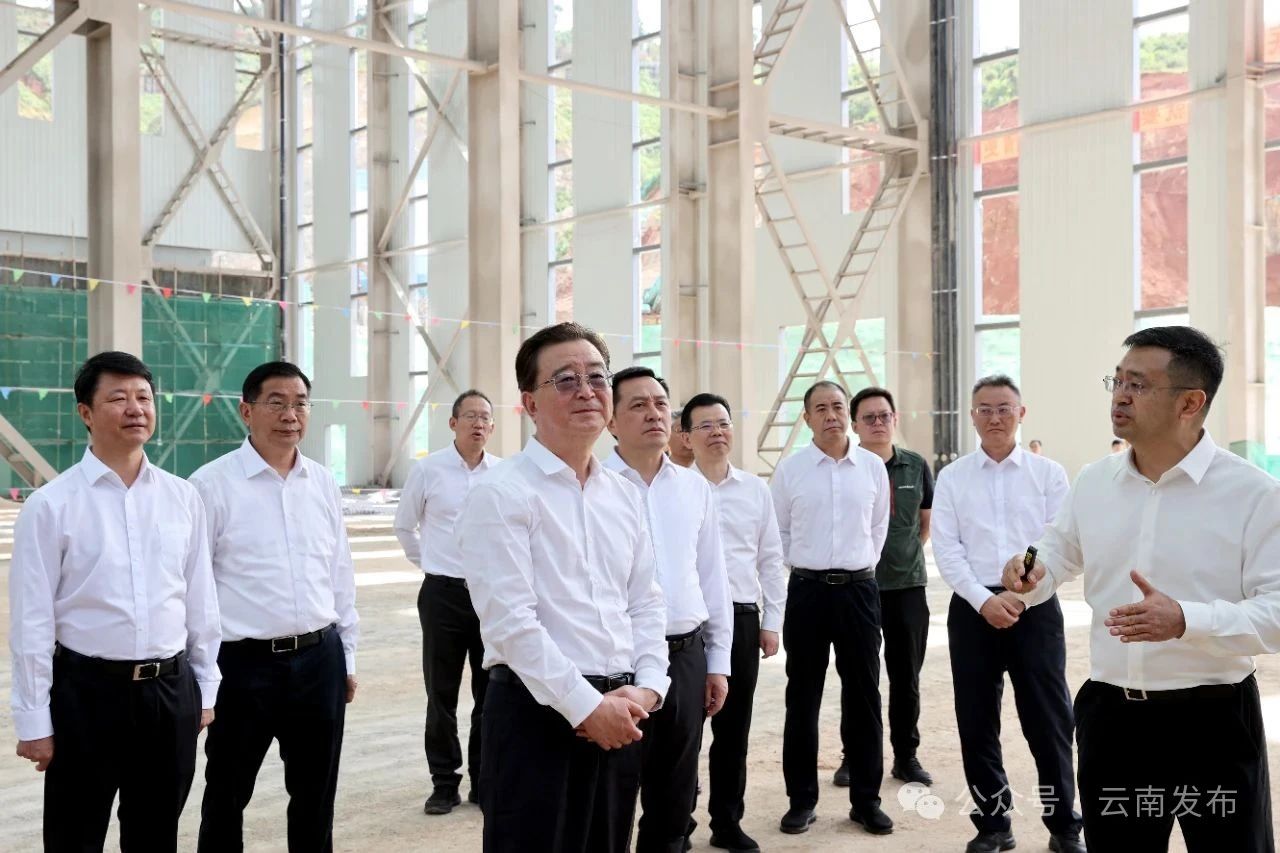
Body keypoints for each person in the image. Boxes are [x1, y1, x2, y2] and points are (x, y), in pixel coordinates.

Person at [1006, 326, 1280, 853]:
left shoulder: (1254, 495)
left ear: (1190, 402)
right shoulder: (1094, 482)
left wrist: (1185, 620)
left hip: (1214, 722)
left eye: (1139, 384)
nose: (1121, 396)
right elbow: (1057, 553)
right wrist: (1032, 573)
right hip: (1114, 719)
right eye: (1117, 381)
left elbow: (1275, 613)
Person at [456, 322, 670, 853]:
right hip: (537, 715)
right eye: (566, 380)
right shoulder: (501, 493)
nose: (587, 391)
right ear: (530, 403)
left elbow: (645, 603)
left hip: (622, 712)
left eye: (597, 377)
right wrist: (585, 707)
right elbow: (511, 623)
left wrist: (648, 687)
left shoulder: (622, 494)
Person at [9, 351, 221, 852]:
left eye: (144, 397)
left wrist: (205, 688)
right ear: (86, 412)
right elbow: (32, 621)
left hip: (170, 693)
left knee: (155, 836)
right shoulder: (51, 505)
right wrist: (34, 719)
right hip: (87, 695)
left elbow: (200, 600)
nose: (135, 408)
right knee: (74, 835)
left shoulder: (182, 498)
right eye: (118, 398)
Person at [190, 361, 359, 853]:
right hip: (243, 667)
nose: (291, 415)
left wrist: (347, 657)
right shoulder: (210, 485)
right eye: (277, 403)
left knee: (315, 795)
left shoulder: (322, 481)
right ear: (246, 411)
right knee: (227, 791)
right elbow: (194, 587)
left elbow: (339, 573)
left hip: (319, 659)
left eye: (300, 403)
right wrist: (202, 676)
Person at [932, 375, 1084, 853]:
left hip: (1035, 609)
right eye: (985, 409)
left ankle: (1064, 826)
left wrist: (1019, 597)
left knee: (1049, 720)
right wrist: (984, 600)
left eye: (1004, 408)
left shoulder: (1048, 474)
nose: (994, 417)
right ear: (972, 416)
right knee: (977, 721)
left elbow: (1057, 543)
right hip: (972, 609)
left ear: (1022, 413)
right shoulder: (953, 477)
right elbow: (947, 550)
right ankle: (993, 825)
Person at [604, 367, 733, 853]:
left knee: (675, 795)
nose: (654, 413)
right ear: (611, 420)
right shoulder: (592, 487)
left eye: (661, 404)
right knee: (613, 791)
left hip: (684, 657)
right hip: (617, 662)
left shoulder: (694, 488)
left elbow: (713, 578)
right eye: (638, 405)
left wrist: (717, 663)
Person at [770, 380, 893, 836]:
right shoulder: (791, 470)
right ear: (807, 418)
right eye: (820, 408)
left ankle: (866, 800)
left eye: (838, 406)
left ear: (849, 414)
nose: (831, 415)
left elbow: (877, 528)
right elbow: (779, 533)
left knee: (864, 697)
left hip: (859, 592)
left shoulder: (872, 468)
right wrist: (810, 567)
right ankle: (801, 801)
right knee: (803, 697)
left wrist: (857, 566)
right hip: (807, 591)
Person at [683, 392, 787, 853]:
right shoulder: (676, 488)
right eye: (705, 425)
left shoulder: (755, 490)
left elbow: (770, 559)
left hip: (742, 617)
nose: (717, 432)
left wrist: (772, 621)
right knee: (683, 731)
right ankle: (678, 823)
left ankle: (727, 822)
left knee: (733, 730)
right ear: (686, 436)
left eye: (723, 423)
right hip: (689, 623)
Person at [393, 389, 500, 814]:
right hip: (442, 596)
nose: (478, 423)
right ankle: (444, 782)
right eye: (470, 416)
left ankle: (484, 780)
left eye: (485, 417)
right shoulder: (429, 470)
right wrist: (432, 564)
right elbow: (404, 527)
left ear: (492, 427)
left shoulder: (503, 473)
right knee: (442, 695)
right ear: (453, 423)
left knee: (490, 693)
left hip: (490, 596)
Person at [831, 387, 934, 789]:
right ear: (855, 425)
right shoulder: (845, 468)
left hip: (907, 587)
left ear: (895, 419)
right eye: (868, 417)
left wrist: (900, 558)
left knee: (906, 677)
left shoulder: (916, 466)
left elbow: (924, 525)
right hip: (858, 588)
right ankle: (854, 756)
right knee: (858, 678)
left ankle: (906, 756)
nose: (878, 423)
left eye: (884, 416)